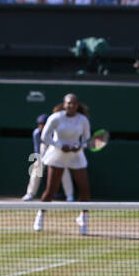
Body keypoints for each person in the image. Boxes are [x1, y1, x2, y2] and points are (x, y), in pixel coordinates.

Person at [33, 93, 92, 236]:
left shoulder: (83, 120)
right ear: (64, 104)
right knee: (51, 190)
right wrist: (60, 145)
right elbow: (44, 137)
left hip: (75, 155)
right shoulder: (56, 118)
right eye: (68, 103)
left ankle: (83, 219)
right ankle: (40, 216)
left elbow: (87, 139)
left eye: (73, 103)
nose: (70, 106)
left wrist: (80, 146)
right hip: (57, 154)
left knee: (84, 189)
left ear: (77, 105)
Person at [23, 113, 76, 202]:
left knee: (64, 170)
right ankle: (30, 194)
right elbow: (37, 148)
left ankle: (69, 195)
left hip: (55, 151)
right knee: (36, 170)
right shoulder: (36, 133)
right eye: (40, 124)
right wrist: (38, 160)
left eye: (44, 124)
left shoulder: (55, 132)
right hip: (43, 151)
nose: (42, 126)